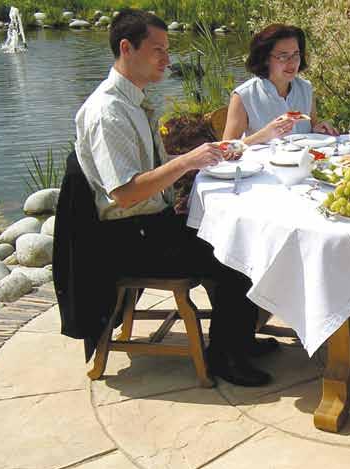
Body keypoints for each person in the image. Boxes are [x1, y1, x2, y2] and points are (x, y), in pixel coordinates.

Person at [73, 9, 276, 387]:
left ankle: (239, 340)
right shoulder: (108, 112)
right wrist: (187, 161)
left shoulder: (132, 102)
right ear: (126, 48)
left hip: (151, 226)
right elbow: (126, 194)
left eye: (167, 50)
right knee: (233, 255)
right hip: (128, 239)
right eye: (158, 50)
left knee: (237, 239)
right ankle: (225, 358)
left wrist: (206, 155)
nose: (167, 59)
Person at [222, 24, 339, 145]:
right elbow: (226, 149)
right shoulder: (244, 95)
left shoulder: (306, 88)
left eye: (296, 55)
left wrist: (318, 130)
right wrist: (265, 135)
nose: (292, 63)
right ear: (265, 59)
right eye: (283, 56)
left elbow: (312, 127)